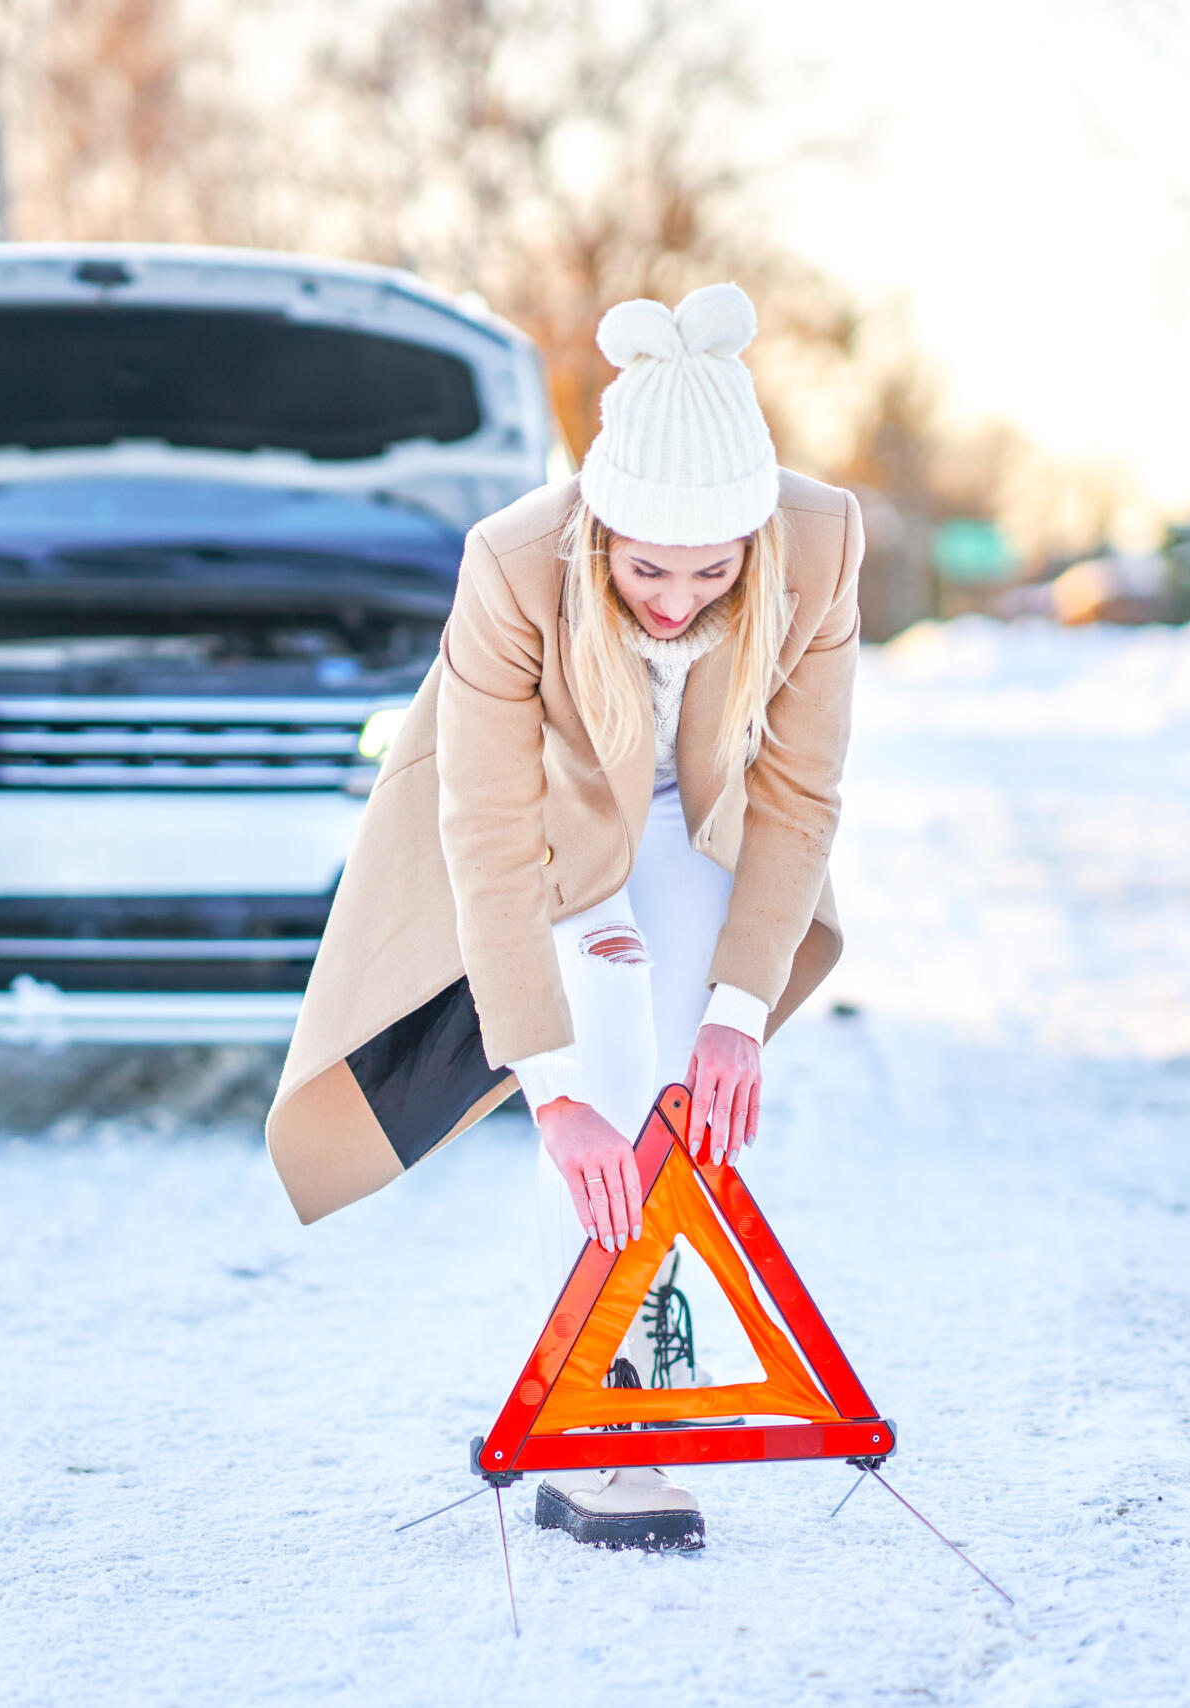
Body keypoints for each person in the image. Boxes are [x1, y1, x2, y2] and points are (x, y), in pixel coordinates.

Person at [265, 283, 864, 1550]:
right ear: (601, 529)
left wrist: (741, 1014)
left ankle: (652, 1355)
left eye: (714, 572)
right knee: (606, 1058)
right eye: (648, 567)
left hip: (703, 815)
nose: (677, 599)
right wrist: (550, 1090)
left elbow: (801, 792)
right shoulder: (515, 560)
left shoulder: (821, 543)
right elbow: (488, 837)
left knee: (688, 1082)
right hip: (547, 818)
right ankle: (595, 1431)